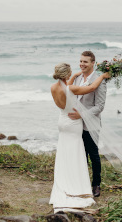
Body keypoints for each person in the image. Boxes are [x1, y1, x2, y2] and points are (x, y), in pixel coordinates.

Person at [49, 62, 109, 213]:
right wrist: (102, 76)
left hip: (62, 122)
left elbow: (65, 89)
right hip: (73, 123)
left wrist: (74, 75)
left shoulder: (53, 87)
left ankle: (63, 182)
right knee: (76, 153)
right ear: (67, 75)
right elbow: (91, 88)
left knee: (65, 153)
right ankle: (77, 185)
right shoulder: (71, 88)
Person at [68, 51, 106, 197]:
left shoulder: (100, 80)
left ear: (93, 63)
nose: (82, 64)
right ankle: (81, 183)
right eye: (81, 61)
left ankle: (96, 184)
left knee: (93, 155)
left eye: (85, 62)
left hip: (91, 124)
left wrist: (82, 114)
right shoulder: (77, 78)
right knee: (80, 154)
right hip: (76, 124)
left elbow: (100, 106)